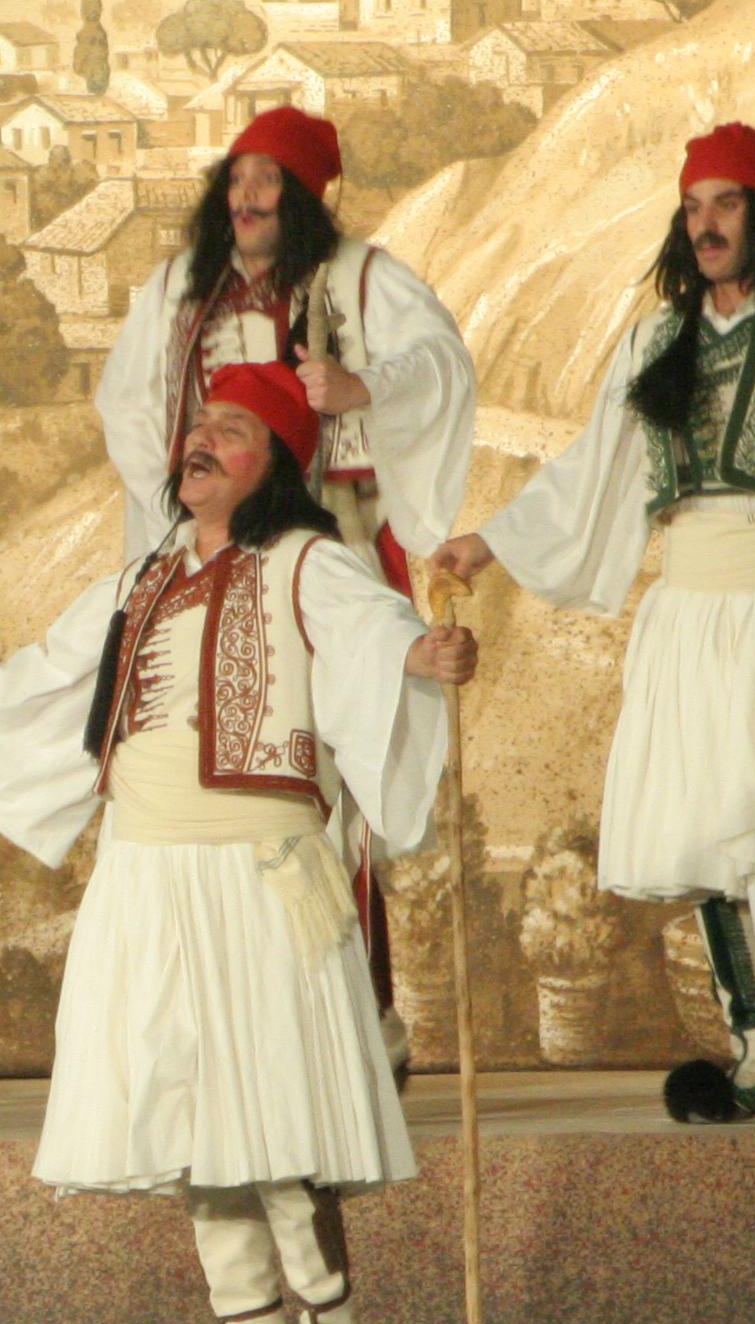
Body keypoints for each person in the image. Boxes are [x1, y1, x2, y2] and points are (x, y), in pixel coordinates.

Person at [0, 363, 473, 1324]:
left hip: (257, 873)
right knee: (191, 1116)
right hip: (147, 873)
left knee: (278, 1120)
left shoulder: (308, 563)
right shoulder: (143, 577)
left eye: (232, 429)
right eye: (198, 425)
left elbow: (377, 636)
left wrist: (424, 655)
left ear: (275, 461)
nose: (200, 442)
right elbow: (48, 673)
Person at [431, 123, 755, 1124]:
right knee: (712, 829)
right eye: (693, 206)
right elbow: (592, 470)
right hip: (693, 614)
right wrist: (487, 541)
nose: (705, 225)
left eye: (726, 204)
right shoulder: (654, 343)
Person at [95, 105, 476, 1056]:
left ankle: (360, 1019)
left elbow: (442, 360)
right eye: (237, 178)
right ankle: (228, 1025)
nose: (248, 197)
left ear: (305, 194)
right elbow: (128, 402)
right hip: (214, 559)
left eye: (268, 180)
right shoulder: (179, 290)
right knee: (220, 773)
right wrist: (184, 506)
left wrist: (362, 388)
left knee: (333, 780)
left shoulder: (360, 277)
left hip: (328, 547)